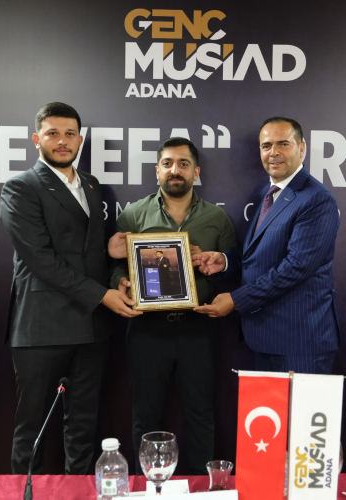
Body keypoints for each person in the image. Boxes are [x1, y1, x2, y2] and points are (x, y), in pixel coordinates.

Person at [0, 102, 140, 475]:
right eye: (53, 134)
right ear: (37, 139)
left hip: (92, 326)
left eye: (70, 134)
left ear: (80, 139)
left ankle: (78, 493)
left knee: (83, 426)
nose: (62, 141)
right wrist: (103, 295)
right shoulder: (21, 187)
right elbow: (41, 260)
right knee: (32, 429)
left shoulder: (91, 185)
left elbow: (81, 249)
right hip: (42, 327)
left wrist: (109, 251)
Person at [110, 137, 237, 474]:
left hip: (199, 329)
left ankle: (201, 491)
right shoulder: (134, 214)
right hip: (147, 331)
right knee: (145, 417)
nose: (175, 170)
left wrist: (213, 262)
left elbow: (234, 270)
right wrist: (119, 282)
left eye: (183, 164)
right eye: (167, 163)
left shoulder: (217, 218)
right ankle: (147, 489)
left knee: (201, 415)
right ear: (157, 171)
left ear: (196, 172)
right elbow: (116, 266)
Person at [193, 117, 340, 375]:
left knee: (298, 405)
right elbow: (263, 254)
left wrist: (236, 300)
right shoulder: (266, 193)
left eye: (283, 144)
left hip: (300, 342)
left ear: (301, 148)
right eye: (266, 146)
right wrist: (225, 261)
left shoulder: (317, 199)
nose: (273, 152)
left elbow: (296, 268)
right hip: (265, 338)